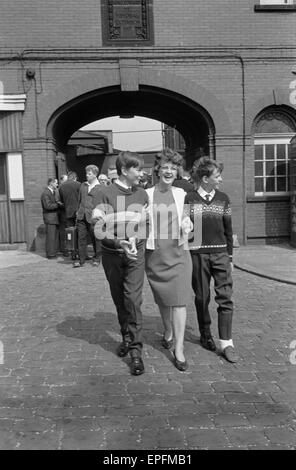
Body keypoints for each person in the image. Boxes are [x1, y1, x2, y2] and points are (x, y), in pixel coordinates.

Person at [92, 151, 148, 376]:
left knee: (133, 299)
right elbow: (97, 228)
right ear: (125, 171)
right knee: (119, 299)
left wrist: (137, 239)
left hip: (135, 253)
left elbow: (146, 223)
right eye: (138, 170)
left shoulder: (143, 194)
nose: (142, 174)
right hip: (112, 254)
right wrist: (117, 242)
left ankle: (135, 350)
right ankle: (126, 336)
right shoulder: (102, 194)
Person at [185, 157, 238, 363]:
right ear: (205, 179)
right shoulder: (189, 198)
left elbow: (228, 229)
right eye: (217, 176)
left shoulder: (223, 198)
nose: (221, 179)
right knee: (202, 297)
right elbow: (186, 229)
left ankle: (226, 342)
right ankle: (205, 333)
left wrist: (230, 256)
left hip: (221, 254)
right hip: (197, 255)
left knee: (226, 297)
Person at [145, 148, 193, 372]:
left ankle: (179, 349)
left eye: (173, 168)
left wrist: (188, 224)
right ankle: (168, 331)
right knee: (164, 299)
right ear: (157, 169)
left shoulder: (183, 194)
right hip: (156, 254)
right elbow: (137, 223)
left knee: (180, 300)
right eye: (165, 167)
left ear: (177, 172)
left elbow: (189, 219)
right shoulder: (146, 195)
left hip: (179, 253)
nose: (169, 171)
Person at [75, 165, 102, 267]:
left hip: (94, 217)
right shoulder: (83, 185)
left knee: (96, 239)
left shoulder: (100, 188)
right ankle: (81, 259)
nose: (87, 175)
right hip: (82, 216)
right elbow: (79, 199)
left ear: (95, 175)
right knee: (81, 238)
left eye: (89, 173)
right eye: (86, 173)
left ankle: (97, 258)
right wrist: (78, 211)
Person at [58, 171, 81, 258]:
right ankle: (81, 253)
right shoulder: (79, 184)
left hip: (68, 213)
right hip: (78, 212)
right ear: (75, 178)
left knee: (70, 234)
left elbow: (62, 200)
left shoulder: (61, 187)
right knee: (80, 233)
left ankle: (73, 253)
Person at [41, 178, 63, 259]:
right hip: (50, 218)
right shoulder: (46, 193)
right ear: (51, 183)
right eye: (56, 183)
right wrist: (58, 205)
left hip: (53, 218)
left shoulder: (51, 192)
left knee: (54, 237)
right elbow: (47, 206)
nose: (57, 185)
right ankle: (50, 254)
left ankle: (53, 253)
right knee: (51, 237)